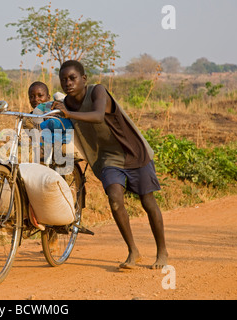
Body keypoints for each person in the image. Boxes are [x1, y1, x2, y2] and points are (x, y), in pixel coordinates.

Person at [52, 60, 168, 269]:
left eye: (72, 78)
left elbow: (97, 116)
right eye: (63, 80)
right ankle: (133, 251)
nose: (68, 83)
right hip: (107, 158)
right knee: (115, 199)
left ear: (83, 79)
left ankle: (162, 251)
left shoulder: (98, 91)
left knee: (147, 201)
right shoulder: (66, 103)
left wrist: (68, 114)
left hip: (131, 150)